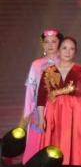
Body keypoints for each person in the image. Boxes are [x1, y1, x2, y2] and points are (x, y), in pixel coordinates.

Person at [36, 37, 81, 166]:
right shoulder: (48, 71)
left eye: (72, 49)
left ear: (75, 52)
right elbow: (41, 97)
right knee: (55, 142)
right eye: (64, 48)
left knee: (76, 142)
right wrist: (41, 118)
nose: (68, 52)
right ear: (58, 50)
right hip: (54, 112)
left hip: (76, 112)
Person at [21, 29, 61, 160]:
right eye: (47, 42)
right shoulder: (36, 64)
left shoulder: (64, 63)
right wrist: (28, 112)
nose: (50, 45)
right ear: (43, 44)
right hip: (39, 108)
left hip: (59, 108)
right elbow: (30, 90)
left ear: (59, 43)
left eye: (54, 41)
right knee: (37, 140)